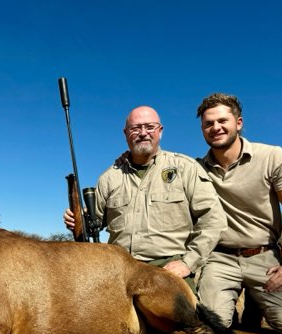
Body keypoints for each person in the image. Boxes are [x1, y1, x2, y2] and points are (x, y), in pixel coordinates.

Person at [64, 106, 227, 292]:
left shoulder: (186, 168)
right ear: (126, 133)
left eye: (149, 127)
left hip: (168, 268)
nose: (143, 133)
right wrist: (78, 218)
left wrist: (187, 263)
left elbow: (213, 220)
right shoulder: (109, 177)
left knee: (186, 319)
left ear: (160, 131)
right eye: (135, 128)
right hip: (120, 270)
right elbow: (95, 220)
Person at [195, 93, 282, 334]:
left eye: (222, 121)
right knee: (214, 324)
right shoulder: (196, 169)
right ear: (202, 129)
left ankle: (257, 301)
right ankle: (233, 301)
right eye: (208, 124)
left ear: (238, 123)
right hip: (220, 257)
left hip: (263, 256)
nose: (215, 127)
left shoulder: (273, 157)